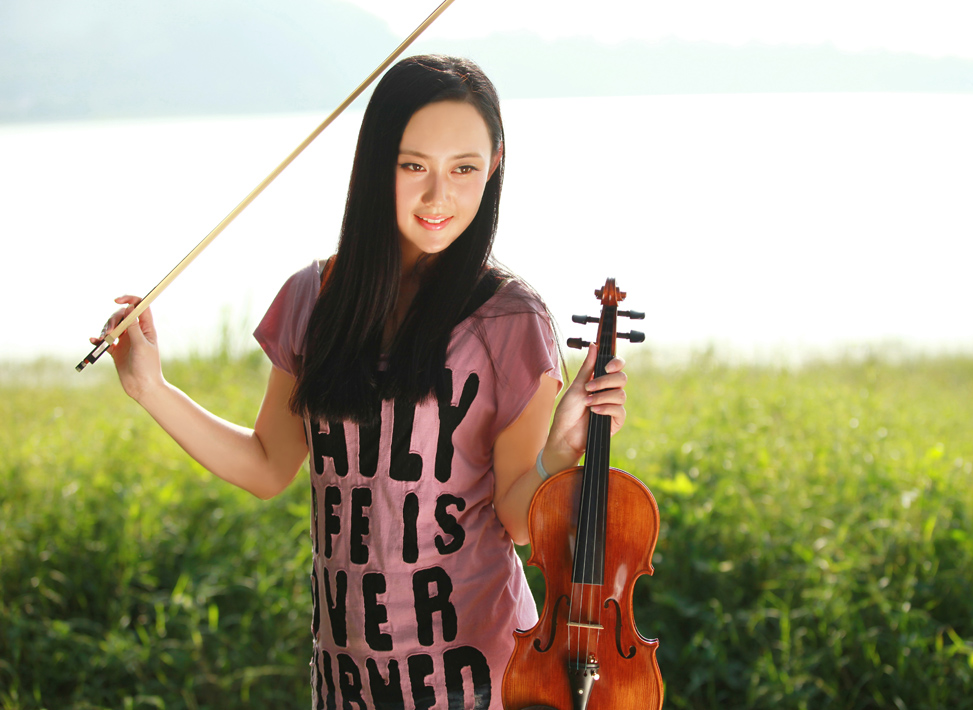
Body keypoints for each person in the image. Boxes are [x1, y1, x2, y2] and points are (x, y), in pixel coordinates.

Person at [93, 54, 627, 710]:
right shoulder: (314, 300)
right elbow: (267, 465)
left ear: (493, 164)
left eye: (464, 169)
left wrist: (566, 448)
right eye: (414, 167)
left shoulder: (510, 318)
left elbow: (518, 520)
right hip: (347, 686)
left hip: (477, 680)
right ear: (378, 163)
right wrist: (152, 388)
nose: (440, 197)